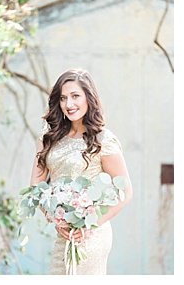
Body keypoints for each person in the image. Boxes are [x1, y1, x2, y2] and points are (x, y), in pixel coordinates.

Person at [29, 68, 133, 274]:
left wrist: (90, 225)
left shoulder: (103, 140)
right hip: (63, 233)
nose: (69, 104)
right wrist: (55, 218)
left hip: (92, 235)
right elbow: (36, 187)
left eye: (75, 96)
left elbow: (126, 192)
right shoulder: (48, 139)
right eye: (63, 98)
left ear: (89, 98)